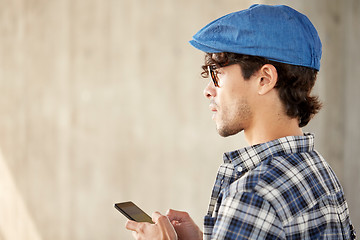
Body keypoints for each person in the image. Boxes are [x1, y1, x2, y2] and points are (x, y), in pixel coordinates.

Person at [125, 4, 356, 239]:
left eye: (218, 73)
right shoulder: (318, 171)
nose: (208, 90)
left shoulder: (252, 194)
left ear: (265, 79)